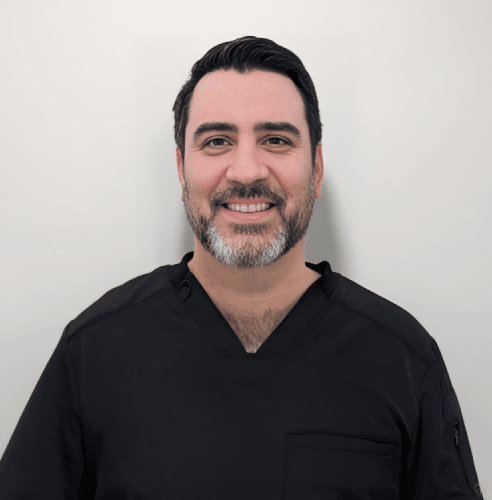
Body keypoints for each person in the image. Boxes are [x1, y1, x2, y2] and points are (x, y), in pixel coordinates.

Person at [0, 36, 483, 499]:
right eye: (216, 141)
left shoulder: (402, 358)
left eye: (275, 139)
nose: (247, 170)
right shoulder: (94, 351)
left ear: (315, 170)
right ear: (181, 170)